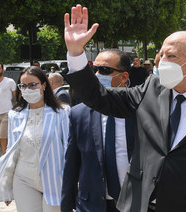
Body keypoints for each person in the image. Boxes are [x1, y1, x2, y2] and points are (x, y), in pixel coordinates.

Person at [64, 5, 186, 212]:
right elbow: (99, 98)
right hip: (138, 205)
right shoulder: (150, 89)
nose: (162, 62)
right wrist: (76, 52)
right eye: (162, 55)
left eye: (171, 56)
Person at [0, 66, 69, 211]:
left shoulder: (62, 113)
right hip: (24, 179)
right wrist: (7, 185)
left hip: (55, 180)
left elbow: (69, 148)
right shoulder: (15, 115)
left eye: (32, 84)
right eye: (23, 85)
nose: (27, 89)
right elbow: (13, 151)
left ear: (44, 85)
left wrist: (74, 183)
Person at [61, 49, 135, 212]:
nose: (97, 74)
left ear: (123, 77)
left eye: (105, 70)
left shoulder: (140, 110)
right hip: (91, 204)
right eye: (95, 69)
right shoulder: (78, 114)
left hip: (134, 203)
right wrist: (66, 206)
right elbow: (72, 164)